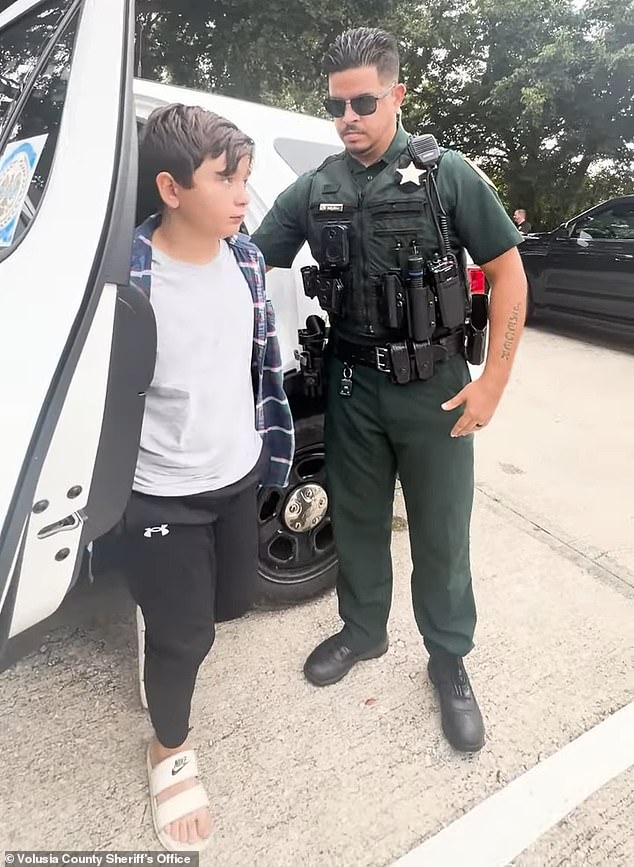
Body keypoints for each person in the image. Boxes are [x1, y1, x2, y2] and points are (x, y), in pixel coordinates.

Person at [252, 27, 527, 754]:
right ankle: (362, 631)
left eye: (363, 101)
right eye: (336, 105)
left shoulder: (447, 174)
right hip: (351, 383)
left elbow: (508, 273)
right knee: (361, 520)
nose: (347, 118)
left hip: (435, 387)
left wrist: (493, 380)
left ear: (396, 95)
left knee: (440, 531)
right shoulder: (318, 189)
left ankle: (448, 658)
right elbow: (247, 257)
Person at [124, 104, 294, 850]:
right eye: (227, 179)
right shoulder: (125, 278)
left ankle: (162, 612)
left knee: (233, 603)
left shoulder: (247, 259)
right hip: (160, 489)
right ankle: (168, 747)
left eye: (246, 179)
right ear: (169, 185)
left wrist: (266, 450)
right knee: (186, 639)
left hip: (237, 471)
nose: (242, 196)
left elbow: (261, 365)